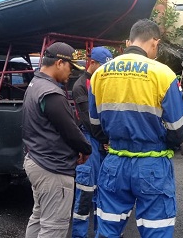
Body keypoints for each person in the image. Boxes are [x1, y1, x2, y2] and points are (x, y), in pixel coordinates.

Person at [88, 19, 183, 237]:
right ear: (155, 42)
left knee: (107, 229)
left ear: (129, 41)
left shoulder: (99, 74)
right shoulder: (163, 74)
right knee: (156, 230)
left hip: (114, 161)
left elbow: (95, 126)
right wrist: (164, 143)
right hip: (152, 163)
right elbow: (180, 128)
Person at [22, 42, 92, 238]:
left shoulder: (35, 84)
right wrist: (86, 149)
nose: (72, 73)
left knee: (38, 218)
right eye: (71, 67)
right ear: (60, 63)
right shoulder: (52, 93)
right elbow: (70, 131)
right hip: (52, 168)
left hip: (36, 160)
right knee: (54, 227)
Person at [71, 47, 113, 238]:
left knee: (103, 192)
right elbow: (87, 119)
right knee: (86, 190)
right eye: (102, 66)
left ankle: (100, 233)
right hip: (89, 140)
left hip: (104, 140)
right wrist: (105, 139)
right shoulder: (81, 85)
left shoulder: (103, 82)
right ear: (93, 63)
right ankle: (79, 235)